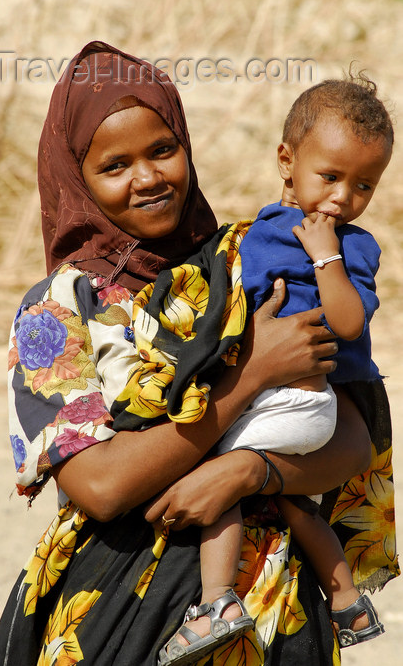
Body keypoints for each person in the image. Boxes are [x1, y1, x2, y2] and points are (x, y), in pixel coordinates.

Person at [0, 41, 398, 666]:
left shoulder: (254, 259)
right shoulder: (57, 310)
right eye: (114, 165)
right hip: (114, 605)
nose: (148, 177)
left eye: (162, 150)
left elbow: (349, 437)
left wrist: (247, 472)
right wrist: (251, 374)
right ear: (75, 176)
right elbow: (99, 487)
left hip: (269, 605)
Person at [122, 76, 392, 665]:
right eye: (331, 177)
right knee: (295, 505)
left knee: (221, 485)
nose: (343, 199)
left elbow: (348, 324)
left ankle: (215, 604)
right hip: (267, 398)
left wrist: (327, 257)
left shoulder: (354, 249)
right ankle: (348, 600)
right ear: (286, 163)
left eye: (364, 185)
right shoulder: (260, 229)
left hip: (302, 400)